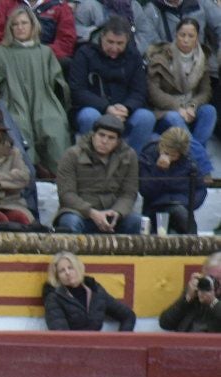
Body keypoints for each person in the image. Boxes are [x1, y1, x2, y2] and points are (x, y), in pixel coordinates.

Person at [0, 7, 70, 172]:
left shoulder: (45, 52)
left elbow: (58, 83)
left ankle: (60, 177)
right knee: (19, 127)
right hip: (13, 103)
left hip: (44, 103)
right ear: (10, 28)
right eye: (15, 24)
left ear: (33, 25)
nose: (20, 27)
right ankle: (25, 175)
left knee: (55, 125)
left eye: (24, 23)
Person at [67, 17, 154, 152]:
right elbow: (77, 90)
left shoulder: (134, 56)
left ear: (127, 41)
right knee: (89, 116)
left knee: (146, 118)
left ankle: (131, 161)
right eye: (110, 42)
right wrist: (106, 108)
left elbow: (139, 90)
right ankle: (91, 161)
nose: (114, 48)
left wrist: (127, 108)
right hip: (92, 109)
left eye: (120, 43)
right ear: (102, 37)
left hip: (124, 111)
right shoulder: (84, 53)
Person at [144, 18, 215, 176]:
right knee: (175, 118)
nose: (186, 39)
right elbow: (154, 92)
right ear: (176, 35)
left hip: (191, 110)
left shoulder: (202, 59)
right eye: (182, 35)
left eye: (191, 35)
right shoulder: (160, 57)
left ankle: (191, 158)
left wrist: (192, 106)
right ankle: (200, 165)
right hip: (165, 111)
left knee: (210, 111)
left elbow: (205, 91)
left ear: (197, 37)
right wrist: (178, 107)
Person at [53, 112, 141, 235]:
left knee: (135, 221)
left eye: (111, 138)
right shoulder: (72, 155)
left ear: (118, 141)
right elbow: (66, 194)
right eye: (101, 135)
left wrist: (117, 212)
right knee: (70, 222)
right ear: (93, 135)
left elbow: (129, 193)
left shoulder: (129, 156)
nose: (104, 141)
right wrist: (92, 213)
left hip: (112, 213)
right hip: (79, 212)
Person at [42, 250, 135, 331]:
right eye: (62, 271)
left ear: (78, 268)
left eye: (70, 268)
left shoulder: (95, 290)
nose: (67, 273)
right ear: (57, 276)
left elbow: (128, 315)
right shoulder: (54, 297)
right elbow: (61, 335)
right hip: (72, 349)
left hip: (97, 346)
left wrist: (120, 342)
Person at [139, 125, 205, 235]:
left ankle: (193, 247)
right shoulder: (148, 156)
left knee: (181, 213)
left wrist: (188, 204)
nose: (168, 157)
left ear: (180, 154)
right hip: (155, 207)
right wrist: (160, 170)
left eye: (173, 155)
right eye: (165, 152)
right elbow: (145, 190)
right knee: (171, 219)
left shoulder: (189, 162)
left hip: (181, 205)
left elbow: (200, 189)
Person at [0, 0, 75, 62]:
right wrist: (13, 51)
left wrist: (40, 53)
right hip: (11, 53)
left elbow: (66, 41)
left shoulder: (60, 6)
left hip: (45, 57)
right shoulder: (7, 3)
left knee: (66, 63)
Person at [156, 251, 221, 332]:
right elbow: (165, 323)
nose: (215, 282)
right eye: (211, 278)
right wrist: (187, 298)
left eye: (218, 278)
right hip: (184, 342)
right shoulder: (196, 292)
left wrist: (213, 302)